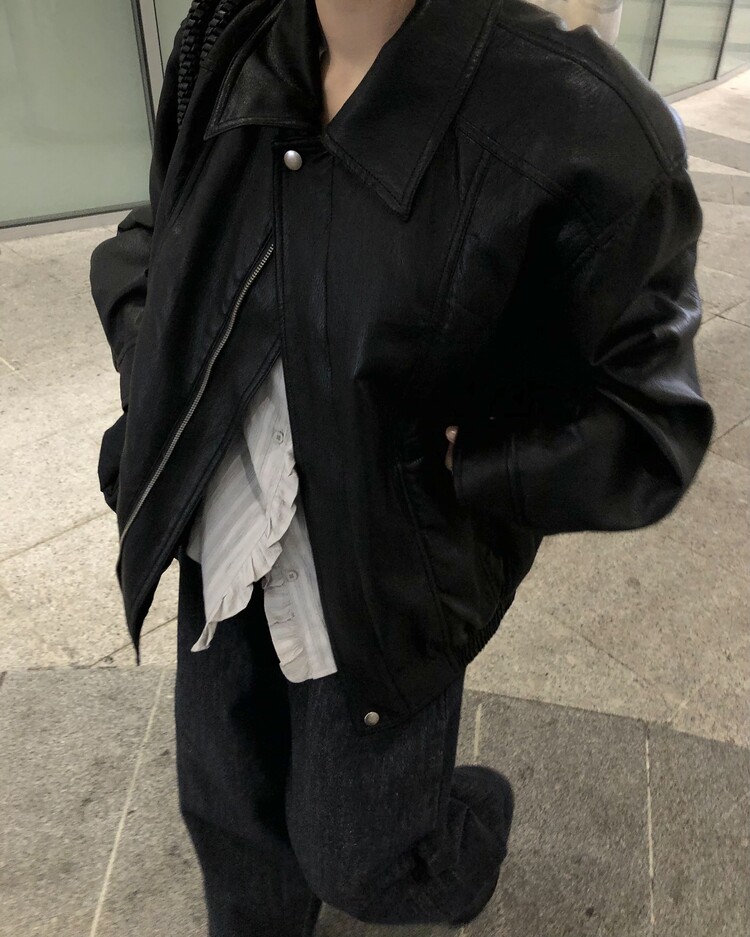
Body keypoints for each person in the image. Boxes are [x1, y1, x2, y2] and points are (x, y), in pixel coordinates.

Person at [89, 0, 714, 934]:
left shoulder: (577, 117)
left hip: (382, 579)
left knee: (363, 850)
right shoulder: (227, 37)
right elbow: (157, 234)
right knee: (225, 804)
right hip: (218, 525)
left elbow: (648, 421)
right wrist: (156, 373)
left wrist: (477, 464)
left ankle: (464, 825)